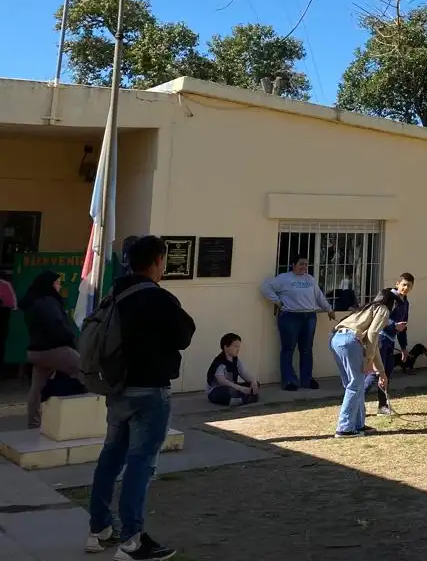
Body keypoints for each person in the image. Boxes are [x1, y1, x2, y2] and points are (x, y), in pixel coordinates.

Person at [87, 234, 196, 561]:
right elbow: (184, 334)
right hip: (150, 389)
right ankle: (132, 539)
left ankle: (99, 528)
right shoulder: (158, 298)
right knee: (140, 463)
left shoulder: (115, 293)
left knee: (111, 456)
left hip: (118, 387)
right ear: (157, 261)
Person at [260, 256, 336, 391]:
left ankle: (307, 379)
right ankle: (289, 380)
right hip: (290, 316)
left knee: (307, 349)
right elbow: (266, 287)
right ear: (293, 265)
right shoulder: (284, 278)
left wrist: (329, 309)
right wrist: (277, 301)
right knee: (288, 348)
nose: (304, 267)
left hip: (309, 316)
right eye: (301, 264)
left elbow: (319, 296)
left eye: (306, 264)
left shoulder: (310, 279)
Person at [19, 270, 81, 429]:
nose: (59, 287)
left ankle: (34, 423)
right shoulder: (48, 302)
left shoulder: (34, 301)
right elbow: (57, 326)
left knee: (37, 388)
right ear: (50, 285)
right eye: (57, 283)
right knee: (86, 369)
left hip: (36, 352)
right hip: (54, 350)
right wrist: (71, 340)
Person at [329, 289, 394, 438]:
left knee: (353, 385)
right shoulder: (383, 309)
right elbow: (373, 334)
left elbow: (373, 344)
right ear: (392, 303)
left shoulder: (366, 309)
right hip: (349, 341)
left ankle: (358, 424)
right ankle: (345, 428)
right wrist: (369, 360)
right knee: (355, 385)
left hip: (335, 339)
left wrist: (381, 372)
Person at [364, 273, 413, 416]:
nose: (406, 288)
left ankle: (382, 406)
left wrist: (403, 347)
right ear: (397, 284)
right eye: (404, 284)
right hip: (380, 338)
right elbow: (379, 316)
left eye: (409, 286)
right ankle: (356, 403)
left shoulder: (405, 303)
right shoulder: (388, 297)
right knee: (375, 373)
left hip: (390, 341)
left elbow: (403, 327)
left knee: (386, 374)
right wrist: (393, 325)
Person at [206, 333, 260, 407]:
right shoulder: (219, 362)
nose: (238, 349)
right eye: (235, 347)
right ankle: (242, 399)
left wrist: (253, 381)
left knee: (255, 384)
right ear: (226, 347)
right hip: (218, 389)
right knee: (228, 391)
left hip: (233, 386)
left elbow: (244, 373)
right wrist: (241, 388)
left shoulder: (236, 360)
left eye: (239, 347)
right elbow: (222, 381)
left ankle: (241, 398)